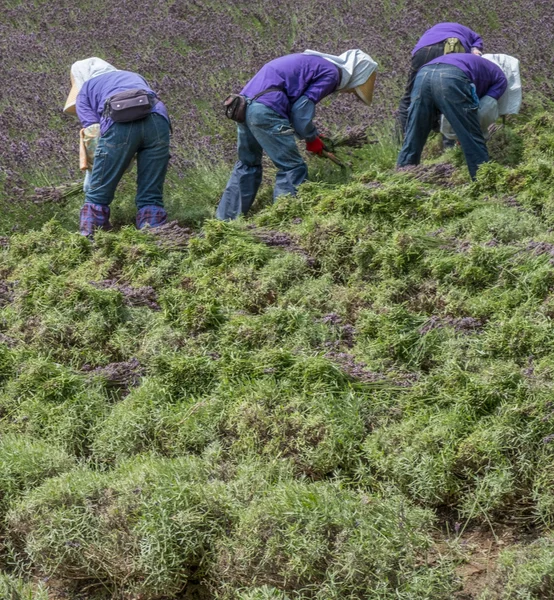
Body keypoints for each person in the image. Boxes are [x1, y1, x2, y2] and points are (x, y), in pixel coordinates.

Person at [216, 49, 378, 221]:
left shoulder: (315, 62)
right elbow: (300, 112)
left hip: (242, 107)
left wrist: (311, 135)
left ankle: (225, 220)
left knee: (248, 164)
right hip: (265, 111)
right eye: (353, 89)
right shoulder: (331, 73)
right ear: (356, 76)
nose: (349, 92)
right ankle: (284, 220)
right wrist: (311, 138)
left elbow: (292, 103)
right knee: (292, 167)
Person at [63, 57, 171, 236]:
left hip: (120, 123)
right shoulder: (133, 75)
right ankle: (154, 235)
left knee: (98, 193)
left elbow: (93, 136)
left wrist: (95, 174)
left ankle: (91, 239)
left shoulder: (85, 91)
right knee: (151, 193)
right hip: (158, 120)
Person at [397, 53, 507, 180]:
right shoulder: (501, 79)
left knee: (414, 134)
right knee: (471, 135)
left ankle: (402, 179)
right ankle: (482, 181)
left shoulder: (476, 64)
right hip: (452, 77)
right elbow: (484, 111)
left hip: (423, 75)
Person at [396, 23, 484, 139]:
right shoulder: (472, 36)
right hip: (451, 49)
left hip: (423, 51)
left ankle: (400, 141)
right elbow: (477, 46)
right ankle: (449, 142)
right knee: (450, 95)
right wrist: (476, 50)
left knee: (410, 96)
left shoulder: (432, 31)